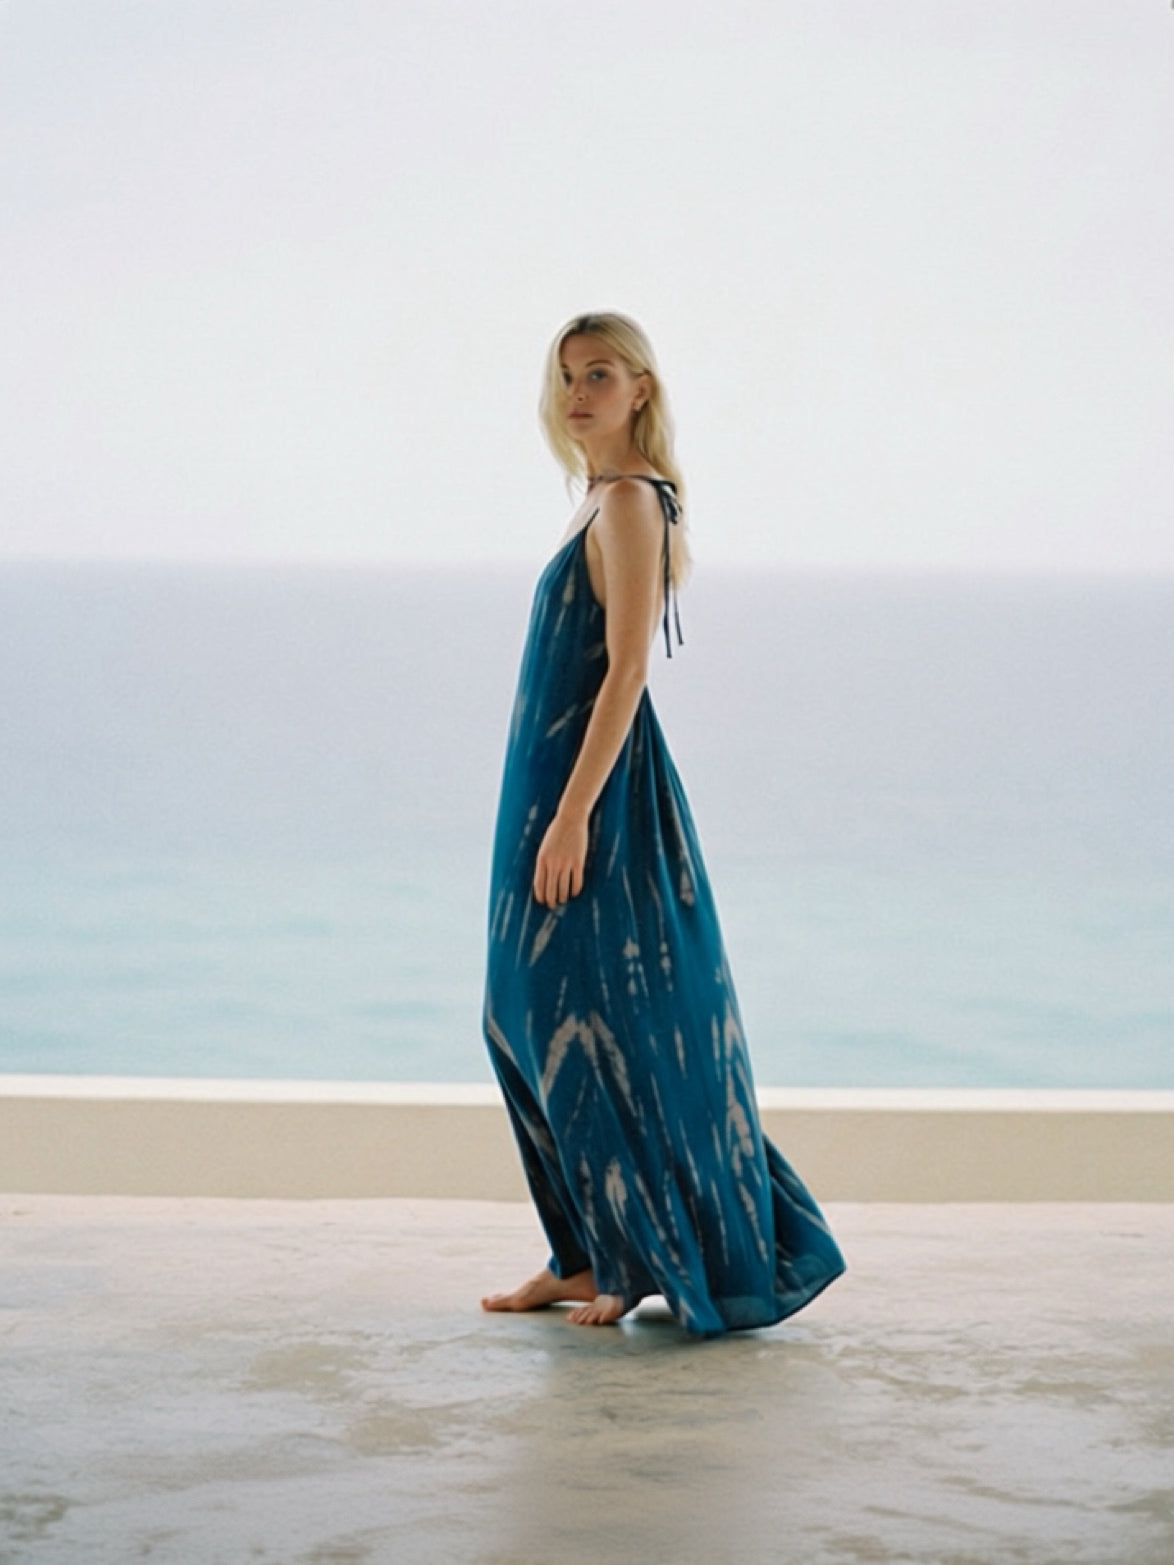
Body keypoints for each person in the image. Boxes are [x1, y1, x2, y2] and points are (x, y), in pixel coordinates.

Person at [480, 312, 845, 1336]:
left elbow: (628, 671)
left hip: (589, 797)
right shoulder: (597, 500)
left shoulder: (633, 501)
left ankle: (632, 1254)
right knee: (518, 1011)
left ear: (640, 387)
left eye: (599, 373)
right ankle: (586, 1246)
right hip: (546, 787)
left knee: (591, 1020)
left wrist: (574, 817)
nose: (577, 393)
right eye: (566, 377)